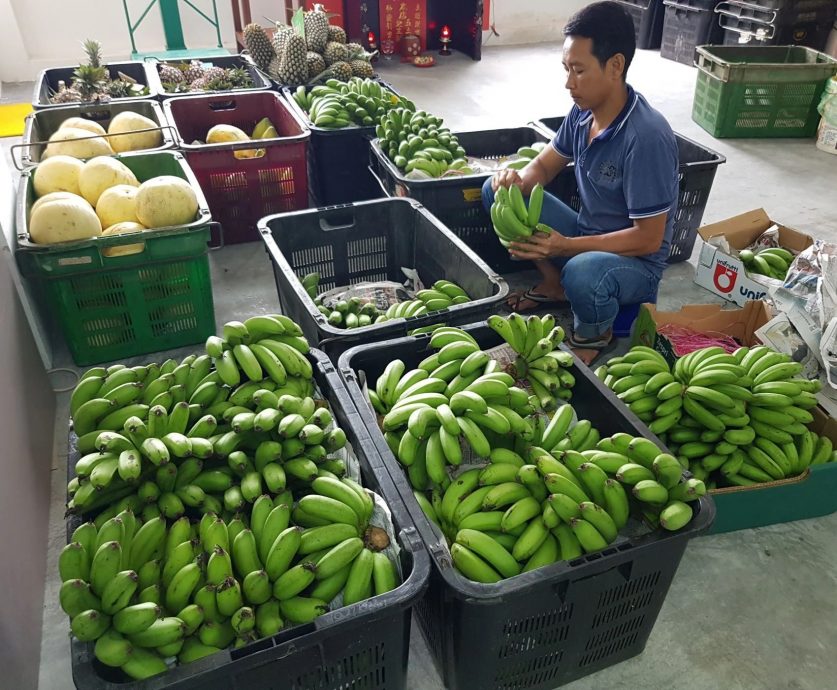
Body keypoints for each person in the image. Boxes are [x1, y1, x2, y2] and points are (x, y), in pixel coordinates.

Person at [482, 0, 679, 364]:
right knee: (497, 194)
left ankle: (593, 332)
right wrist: (515, 179)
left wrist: (566, 246)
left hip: (635, 263)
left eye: (579, 70)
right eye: (566, 69)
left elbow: (648, 238)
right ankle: (554, 285)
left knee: (583, 270)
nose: (569, 83)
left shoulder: (645, 138)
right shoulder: (582, 113)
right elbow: (543, 167)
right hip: (586, 232)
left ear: (615, 66)